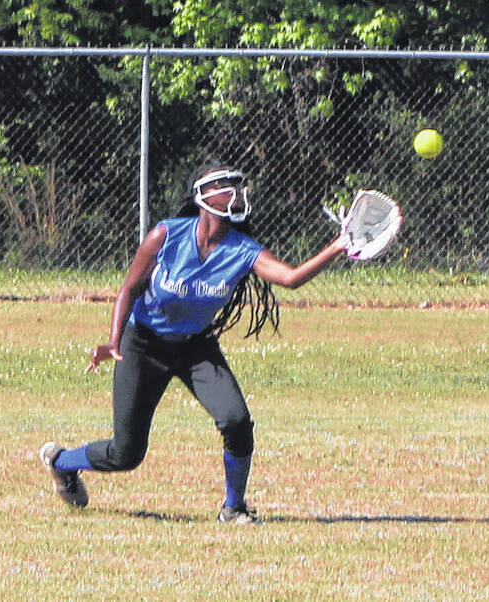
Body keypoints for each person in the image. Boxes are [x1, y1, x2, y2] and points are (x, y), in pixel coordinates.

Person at [40, 160, 349, 523]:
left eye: (238, 186)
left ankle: (233, 508)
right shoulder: (166, 235)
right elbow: (129, 288)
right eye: (225, 186)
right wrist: (113, 342)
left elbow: (291, 278)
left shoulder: (242, 249)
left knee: (236, 420)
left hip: (193, 347)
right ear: (203, 196)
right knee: (127, 454)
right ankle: (61, 462)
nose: (236, 193)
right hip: (143, 343)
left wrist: (338, 246)